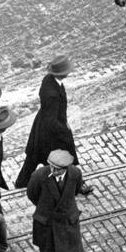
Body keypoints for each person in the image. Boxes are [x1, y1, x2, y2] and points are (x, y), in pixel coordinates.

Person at [26, 150, 90, 252]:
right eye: (51, 167)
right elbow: (32, 194)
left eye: (58, 169)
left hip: (67, 219)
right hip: (47, 223)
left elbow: (75, 191)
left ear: (65, 169)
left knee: (67, 250)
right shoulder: (39, 176)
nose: (53, 171)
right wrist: (44, 207)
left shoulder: (75, 174)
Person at [15, 55, 77, 187]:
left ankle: (22, 182)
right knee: (66, 154)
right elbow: (51, 121)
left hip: (43, 126)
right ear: (63, 73)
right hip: (51, 130)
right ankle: (75, 183)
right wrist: (65, 130)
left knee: (34, 156)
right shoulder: (52, 94)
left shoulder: (49, 80)